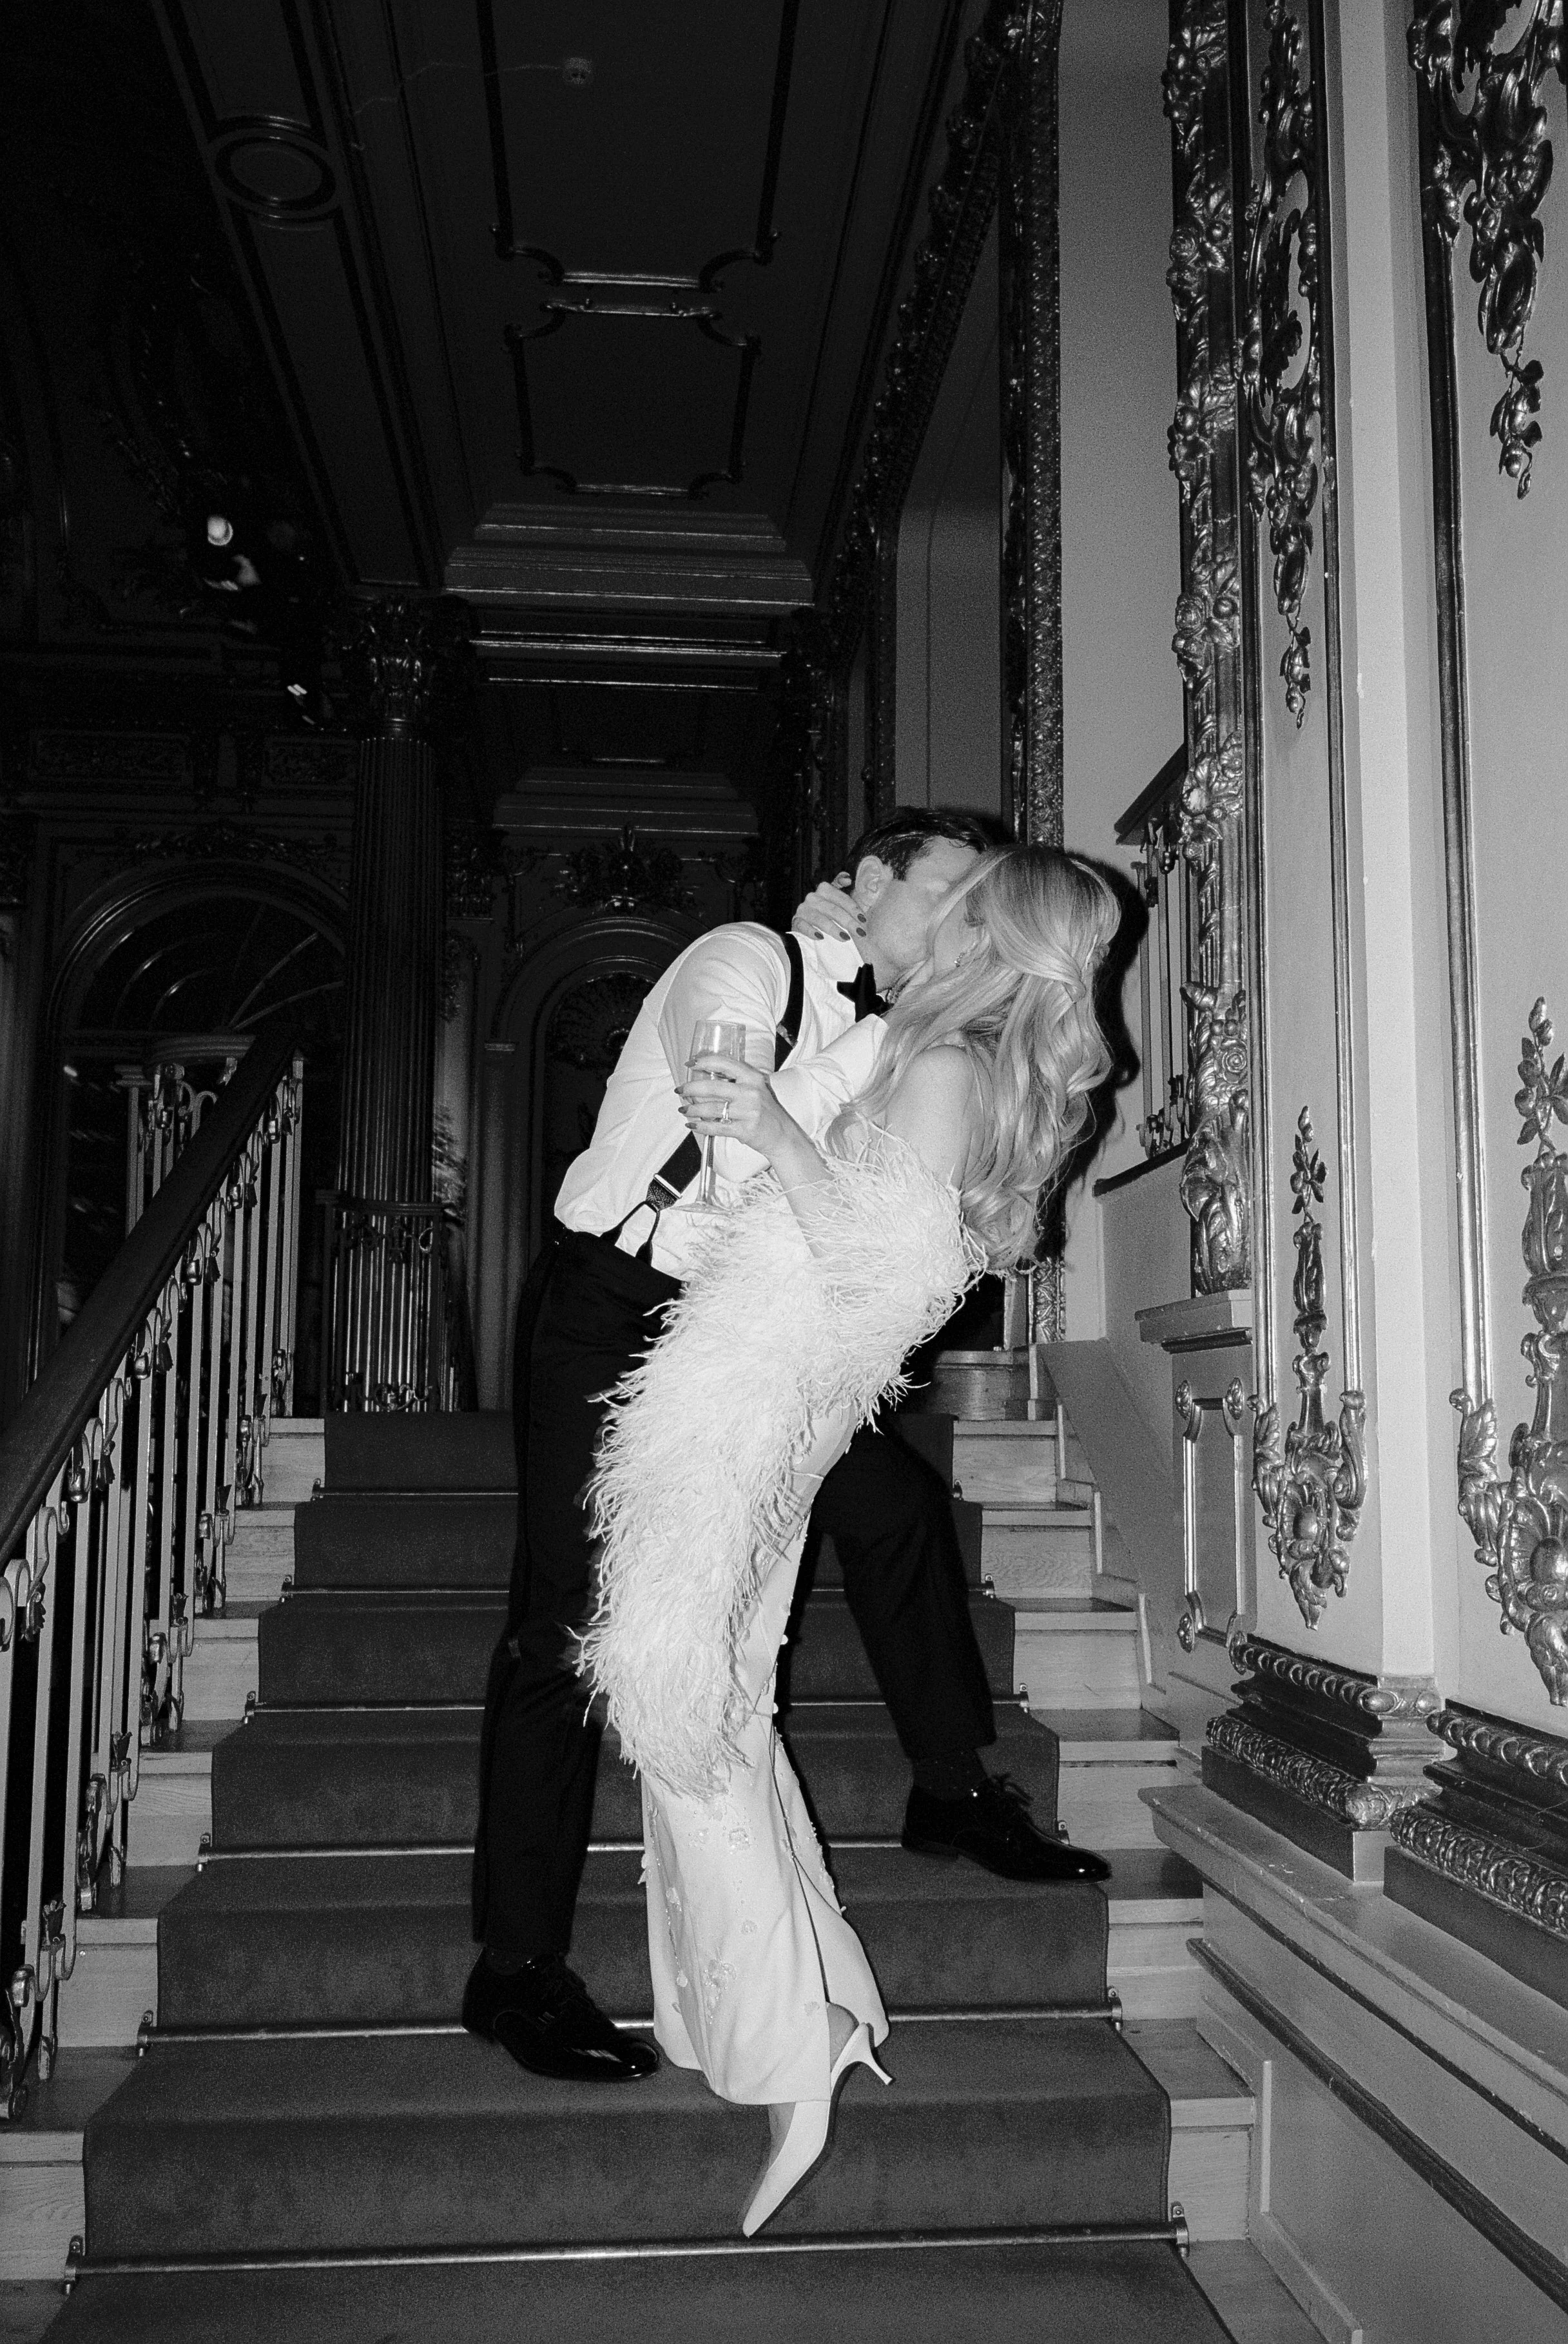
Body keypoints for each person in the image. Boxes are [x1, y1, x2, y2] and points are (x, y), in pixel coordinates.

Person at [467, 811, 1109, 2093]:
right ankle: (516, 1967)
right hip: (623, 1302)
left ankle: (948, 1787)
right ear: (871, 881)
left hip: (762, 1335)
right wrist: (820, 1048)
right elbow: (727, 1143)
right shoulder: (746, 963)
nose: (953, 912)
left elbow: (876, 1179)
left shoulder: (906, 1022)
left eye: (974, 900)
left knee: (892, 1512)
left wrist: (871, 1022)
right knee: (566, 1619)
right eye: (941, 885)